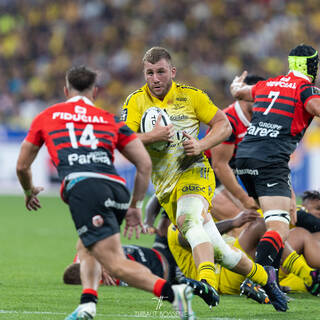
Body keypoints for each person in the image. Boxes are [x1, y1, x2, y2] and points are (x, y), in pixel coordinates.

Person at [16, 66, 196, 320]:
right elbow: (143, 163)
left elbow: (22, 165)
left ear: (66, 91)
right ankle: (88, 304)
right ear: (95, 92)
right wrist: (134, 205)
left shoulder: (47, 116)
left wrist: (28, 190)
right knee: (87, 246)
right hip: (116, 188)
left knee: (114, 263)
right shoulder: (108, 119)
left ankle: (173, 293)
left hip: (85, 187)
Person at [121, 46, 288, 311]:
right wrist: (152, 137)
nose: (155, 78)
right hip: (166, 187)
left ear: (172, 72)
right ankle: (265, 280)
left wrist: (200, 146)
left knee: (188, 220)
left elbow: (224, 125)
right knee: (222, 252)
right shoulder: (135, 102)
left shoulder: (191, 97)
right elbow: (124, 140)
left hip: (196, 173)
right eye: (150, 73)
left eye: (161, 71)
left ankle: (206, 281)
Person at [230, 44, 320, 274]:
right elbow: (314, 106)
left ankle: (268, 275)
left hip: (245, 157)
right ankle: (262, 279)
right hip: (270, 161)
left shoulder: (266, 84)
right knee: (279, 229)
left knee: (277, 220)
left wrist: (236, 85)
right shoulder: (306, 90)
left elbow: (238, 93)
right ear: (312, 65)